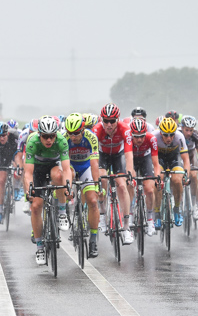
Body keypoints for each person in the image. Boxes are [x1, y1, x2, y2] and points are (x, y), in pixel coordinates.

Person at [24, 116, 72, 265]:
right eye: (45, 136)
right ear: (40, 135)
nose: (49, 140)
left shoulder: (62, 141)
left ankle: (62, 212)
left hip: (53, 166)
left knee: (59, 176)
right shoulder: (32, 142)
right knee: (36, 206)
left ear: (56, 134)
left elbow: (66, 169)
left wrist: (68, 187)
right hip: (37, 170)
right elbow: (28, 173)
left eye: (52, 136)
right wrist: (29, 189)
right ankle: (39, 247)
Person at [93, 103, 135, 244]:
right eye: (106, 121)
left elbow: (129, 155)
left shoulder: (125, 129)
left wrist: (129, 173)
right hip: (102, 155)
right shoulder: (97, 130)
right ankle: (103, 214)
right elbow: (93, 157)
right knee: (102, 180)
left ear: (118, 119)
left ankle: (127, 227)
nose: (109, 124)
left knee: (122, 186)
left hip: (119, 155)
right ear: (102, 120)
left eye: (112, 121)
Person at [63, 113, 102, 256]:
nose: (73, 137)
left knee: (92, 201)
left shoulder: (91, 137)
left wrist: (97, 185)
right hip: (71, 167)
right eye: (70, 133)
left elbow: (94, 164)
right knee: (68, 183)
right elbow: (64, 166)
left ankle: (93, 239)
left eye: (77, 133)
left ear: (83, 129)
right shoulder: (64, 138)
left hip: (86, 167)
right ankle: (69, 211)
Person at [153, 117, 190, 228]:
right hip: (159, 159)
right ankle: (157, 213)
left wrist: (186, 175)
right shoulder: (154, 136)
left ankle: (177, 209)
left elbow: (186, 159)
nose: (169, 138)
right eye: (165, 135)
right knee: (159, 179)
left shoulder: (179, 137)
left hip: (174, 159)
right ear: (160, 133)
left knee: (178, 180)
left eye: (171, 135)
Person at [127, 118, 159, 236]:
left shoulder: (151, 139)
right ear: (131, 134)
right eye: (136, 136)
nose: (139, 139)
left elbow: (156, 163)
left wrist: (157, 178)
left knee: (150, 190)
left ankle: (150, 219)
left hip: (146, 159)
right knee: (129, 184)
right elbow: (126, 160)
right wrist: (131, 173)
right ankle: (130, 214)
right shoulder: (127, 139)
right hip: (131, 159)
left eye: (142, 136)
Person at [0, 121, 20, 224]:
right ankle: (0, 212)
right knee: (1, 180)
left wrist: (18, 165)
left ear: (8, 133)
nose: (1, 138)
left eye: (4, 135)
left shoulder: (15, 137)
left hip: (14, 155)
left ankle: (16, 188)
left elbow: (19, 154)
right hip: (2, 158)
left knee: (18, 169)